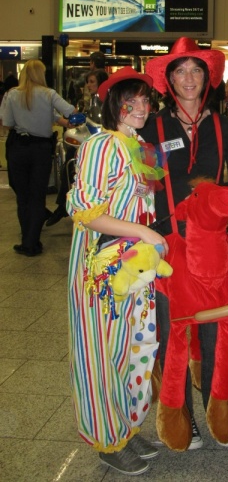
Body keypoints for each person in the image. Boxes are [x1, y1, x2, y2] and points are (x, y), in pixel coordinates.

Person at [140, 37, 228, 449]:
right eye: (181, 71)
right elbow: (144, 181)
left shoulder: (223, 125)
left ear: (207, 78)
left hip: (211, 247)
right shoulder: (153, 125)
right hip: (167, 247)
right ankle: (180, 418)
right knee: (173, 333)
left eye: (196, 71)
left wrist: (215, 200)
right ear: (169, 79)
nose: (189, 79)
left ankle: (218, 411)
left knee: (213, 332)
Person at [66, 66, 167, 475]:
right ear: (114, 105)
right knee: (99, 351)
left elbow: (150, 198)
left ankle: (123, 427)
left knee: (130, 348)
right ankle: (105, 438)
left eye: (146, 100)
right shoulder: (101, 145)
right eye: (132, 101)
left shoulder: (143, 146)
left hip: (135, 268)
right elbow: (86, 213)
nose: (141, 108)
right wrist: (142, 230)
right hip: (101, 268)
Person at [2, 60, 75, 256]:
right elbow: (70, 111)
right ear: (40, 75)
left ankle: (27, 240)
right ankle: (31, 242)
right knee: (37, 195)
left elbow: (7, 123)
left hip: (18, 147)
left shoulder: (12, 94)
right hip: (41, 149)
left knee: (22, 197)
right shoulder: (48, 93)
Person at [47, 69, 109, 227]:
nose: (88, 85)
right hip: (93, 138)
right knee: (71, 159)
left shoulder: (111, 99)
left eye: (92, 82)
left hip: (109, 140)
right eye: (88, 81)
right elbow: (89, 118)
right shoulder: (92, 100)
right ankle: (64, 203)